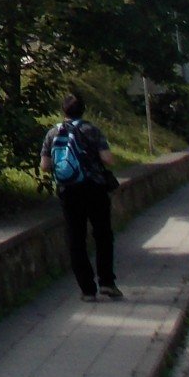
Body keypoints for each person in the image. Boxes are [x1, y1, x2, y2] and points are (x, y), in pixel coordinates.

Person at [41, 92, 122, 302]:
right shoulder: (91, 130)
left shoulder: (53, 133)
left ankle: (87, 289)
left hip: (68, 191)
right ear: (83, 110)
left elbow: (45, 166)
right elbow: (108, 159)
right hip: (94, 188)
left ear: (63, 110)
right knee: (102, 234)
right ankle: (106, 282)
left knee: (76, 239)